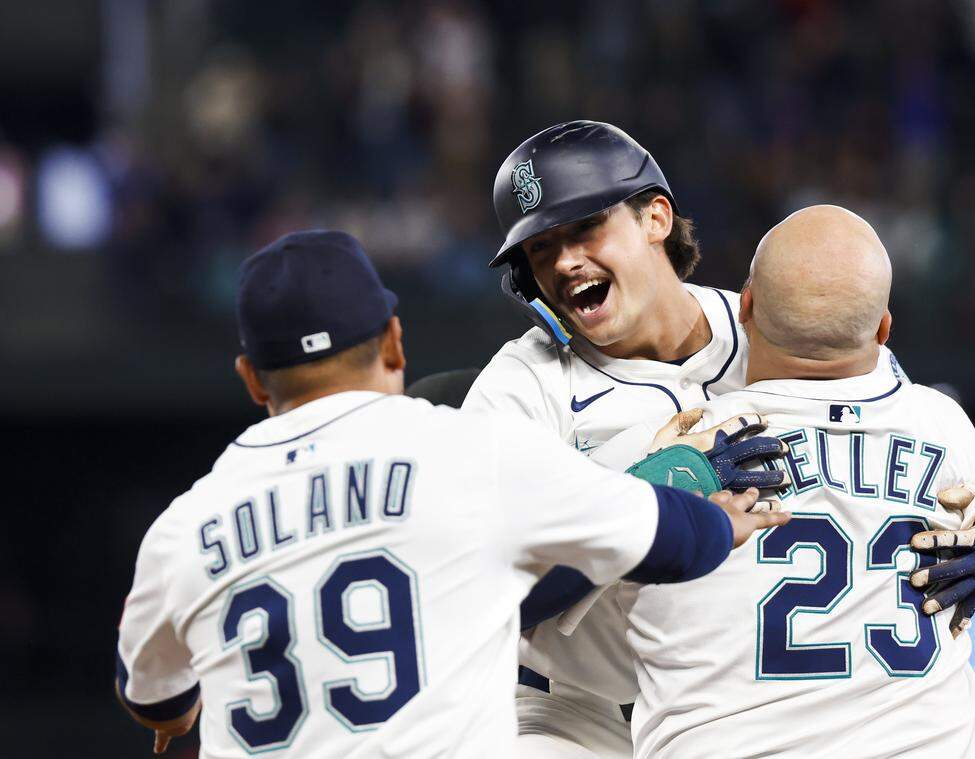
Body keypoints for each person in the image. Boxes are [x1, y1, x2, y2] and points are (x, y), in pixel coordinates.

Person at [463, 121, 975, 757]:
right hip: (573, 710)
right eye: (540, 250)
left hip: (736, 697)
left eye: (583, 230)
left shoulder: (782, 320)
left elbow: (918, 435)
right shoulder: (519, 391)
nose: (565, 261)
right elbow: (467, 592)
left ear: (655, 218)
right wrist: (648, 494)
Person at [113, 230, 788, 758]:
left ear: (253, 380)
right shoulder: (472, 452)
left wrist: (179, 710)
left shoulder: (182, 528)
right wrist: (707, 503)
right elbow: (677, 539)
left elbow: (155, 698)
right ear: (394, 340)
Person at [577, 205, 975, 756]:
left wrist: (637, 491)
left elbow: (525, 583)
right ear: (884, 328)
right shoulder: (945, 428)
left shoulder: (666, 447)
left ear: (746, 306)